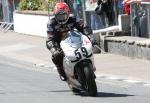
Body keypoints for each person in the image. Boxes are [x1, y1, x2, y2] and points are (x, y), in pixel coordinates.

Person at [46, 2, 94, 81]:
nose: (61, 18)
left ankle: (91, 65)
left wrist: (91, 37)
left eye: (63, 15)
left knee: (89, 46)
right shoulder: (51, 23)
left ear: (68, 14)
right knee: (56, 56)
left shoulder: (74, 19)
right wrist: (54, 49)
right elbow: (49, 39)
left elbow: (84, 27)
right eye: (59, 16)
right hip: (59, 41)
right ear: (55, 15)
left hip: (74, 39)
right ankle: (61, 72)